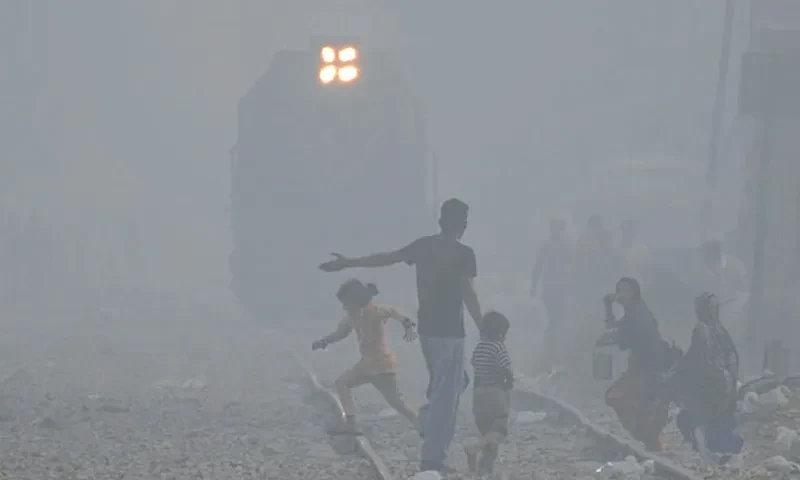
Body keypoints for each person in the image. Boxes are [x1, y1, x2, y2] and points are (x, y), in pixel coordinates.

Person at [319, 198, 482, 473]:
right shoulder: (465, 254)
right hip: (451, 333)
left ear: (441, 221)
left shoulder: (423, 246)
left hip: (429, 332)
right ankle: (432, 456)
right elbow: (468, 293)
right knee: (446, 396)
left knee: (454, 384)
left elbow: (387, 258)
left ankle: (429, 421)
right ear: (463, 225)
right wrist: (485, 328)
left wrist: (350, 263)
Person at [312, 279, 419, 434]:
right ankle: (351, 422)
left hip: (382, 365)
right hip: (366, 366)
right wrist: (324, 342)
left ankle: (421, 425)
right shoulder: (352, 317)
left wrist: (408, 324)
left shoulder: (375, 311)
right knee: (342, 383)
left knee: (397, 402)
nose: (344, 307)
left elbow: (393, 312)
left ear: (356, 301)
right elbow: (341, 332)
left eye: (346, 303)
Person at [662, 293, 743, 465]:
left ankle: (713, 454)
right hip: (714, 387)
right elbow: (701, 357)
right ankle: (712, 454)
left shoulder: (712, 330)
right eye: (710, 308)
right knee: (705, 421)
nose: (713, 312)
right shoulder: (709, 330)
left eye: (715, 308)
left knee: (705, 421)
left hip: (714, 388)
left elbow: (724, 357)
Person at [597, 277, 671, 451]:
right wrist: (608, 307)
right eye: (620, 290)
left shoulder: (639, 313)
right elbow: (613, 328)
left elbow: (630, 335)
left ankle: (648, 437)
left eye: (627, 291)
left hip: (648, 367)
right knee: (634, 402)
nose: (623, 294)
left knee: (619, 397)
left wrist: (616, 338)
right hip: (640, 367)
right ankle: (649, 439)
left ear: (634, 293)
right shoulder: (632, 312)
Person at [464, 311, 513, 475]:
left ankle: (483, 471)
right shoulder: (498, 347)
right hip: (495, 394)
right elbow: (506, 369)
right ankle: (474, 447)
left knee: (488, 433)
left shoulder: (479, 347)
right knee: (499, 431)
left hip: (478, 395)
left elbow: (474, 363)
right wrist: (509, 385)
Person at [530, 218, 573, 371]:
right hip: (550, 288)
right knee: (555, 318)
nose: (554, 230)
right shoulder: (545, 246)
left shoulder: (567, 246)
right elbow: (537, 266)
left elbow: (574, 265)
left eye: (556, 228)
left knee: (559, 319)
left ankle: (554, 347)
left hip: (563, 287)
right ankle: (551, 347)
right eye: (552, 228)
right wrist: (533, 286)